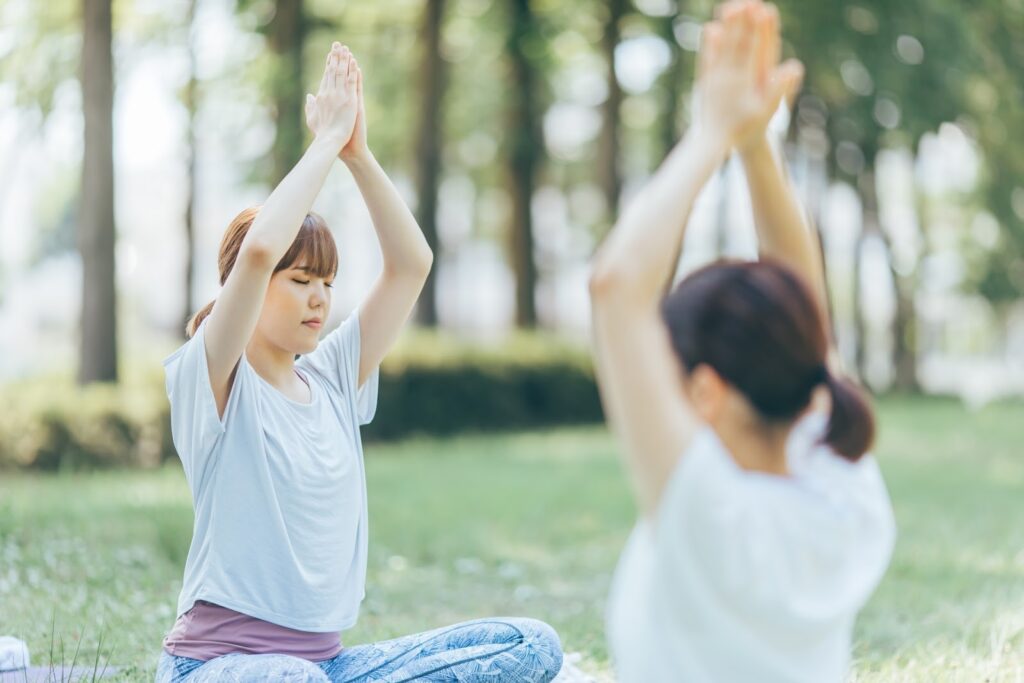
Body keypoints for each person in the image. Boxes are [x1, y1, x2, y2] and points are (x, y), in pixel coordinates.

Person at [156, 42, 562, 683]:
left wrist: (358, 154)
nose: (320, 296)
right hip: (220, 667)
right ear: (251, 286)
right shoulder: (211, 380)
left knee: (531, 645)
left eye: (327, 280)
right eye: (300, 280)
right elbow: (260, 249)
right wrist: (323, 142)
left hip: (331, 667)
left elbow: (412, 263)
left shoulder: (333, 378)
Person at [588, 2, 896, 681]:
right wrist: (754, 144)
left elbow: (615, 287)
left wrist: (711, 133)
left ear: (706, 389)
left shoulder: (706, 510)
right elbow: (801, 301)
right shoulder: (846, 490)